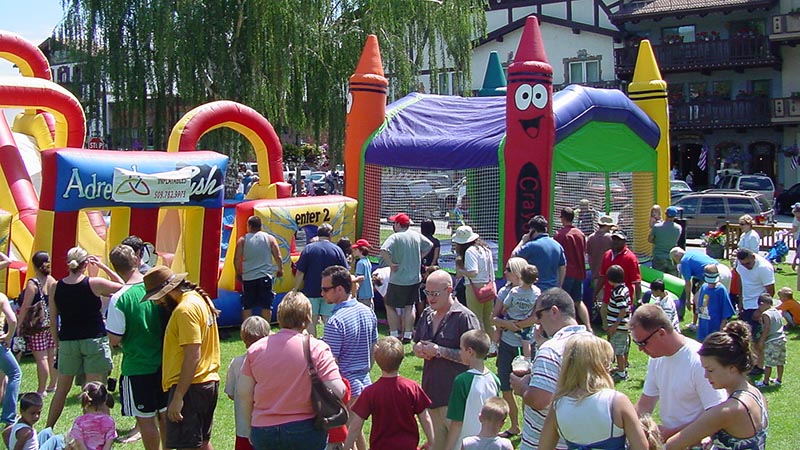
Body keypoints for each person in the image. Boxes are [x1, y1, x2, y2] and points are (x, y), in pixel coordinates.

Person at [238, 292, 346, 450]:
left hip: (264, 429)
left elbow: (243, 393)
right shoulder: (316, 348)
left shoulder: (256, 349)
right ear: (308, 318)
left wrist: (249, 428)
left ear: (280, 317)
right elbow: (338, 390)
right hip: (306, 427)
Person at [142, 265, 221, 450]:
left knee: (188, 445)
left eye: (158, 298)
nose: (157, 303)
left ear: (167, 291)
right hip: (206, 382)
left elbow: (193, 355)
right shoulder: (198, 299)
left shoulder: (184, 310)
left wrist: (178, 397)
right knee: (202, 443)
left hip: (191, 386)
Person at [46, 247, 122, 429]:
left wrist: (57, 343)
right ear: (85, 264)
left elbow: (53, 318)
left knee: (61, 391)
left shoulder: (56, 286)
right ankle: (100, 432)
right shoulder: (94, 283)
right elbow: (123, 286)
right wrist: (104, 267)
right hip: (93, 340)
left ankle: (48, 429)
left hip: (68, 341)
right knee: (96, 390)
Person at [509, 288, 592, 450]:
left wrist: (522, 388)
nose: (537, 322)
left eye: (539, 315)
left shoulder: (551, 350)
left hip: (546, 442)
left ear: (554, 311)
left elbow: (540, 400)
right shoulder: (593, 343)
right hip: (581, 439)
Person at [665, 321, 768, 450]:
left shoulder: (727, 411)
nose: (706, 376)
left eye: (710, 370)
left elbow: (672, 445)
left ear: (732, 368)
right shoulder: (757, 395)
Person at [630, 304, 726, 440]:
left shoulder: (700, 362)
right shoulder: (656, 358)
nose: (640, 349)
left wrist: (671, 433)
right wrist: (628, 425)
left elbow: (716, 415)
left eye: (642, 343)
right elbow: (645, 404)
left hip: (697, 440)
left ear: (661, 333)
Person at [105, 245, 167, 450]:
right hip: (164, 365)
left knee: (146, 420)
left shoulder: (119, 297)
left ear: (114, 267)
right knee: (165, 416)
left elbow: (114, 338)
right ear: (136, 260)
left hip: (137, 367)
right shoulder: (157, 287)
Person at [539, 334, 649, 450]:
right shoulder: (617, 402)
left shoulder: (558, 405)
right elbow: (641, 447)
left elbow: (543, 447)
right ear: (600, 365)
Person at [413, 270, 480, 450]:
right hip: (432, 395)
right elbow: (416, 342)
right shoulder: (427, 314)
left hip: (456, 399)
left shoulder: (464, 317)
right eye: (427, 293)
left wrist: (440, 351)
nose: (430, 298)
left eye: (435, 294)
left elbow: (475, 359)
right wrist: (418, 349)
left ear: (449, 290)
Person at [321, 265, 379, 450]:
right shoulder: (368, 311)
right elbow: (374, 349)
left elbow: (330, 363)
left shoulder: (335, 321)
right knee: (356, 429)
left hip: (344, 387)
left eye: (325, 289)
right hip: (365, 383)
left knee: (342, 439)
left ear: (339, 289)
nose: (322, 293)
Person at [345, 336, 434, 450]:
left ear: (376, 360)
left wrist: (347, 447)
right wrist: (431, 441)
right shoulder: (412, 387)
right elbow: (425, 417)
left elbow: (356, 425)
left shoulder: (370, 392)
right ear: (401, 359)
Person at [490, 257, 529, 439]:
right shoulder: (504, 291)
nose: (504, 272)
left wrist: (520, 325)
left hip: (527, 346)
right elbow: (494, 318)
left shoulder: (532, 292)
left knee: (528, 389)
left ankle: (530, 426)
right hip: (507, 345)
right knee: (506, 387)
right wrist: (507, 324)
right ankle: (514, 426)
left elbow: (538, 318)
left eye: (508, 269)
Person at [380, 213, 433, 342]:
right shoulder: (416, 235)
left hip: (398, 278)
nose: (393, 225)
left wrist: (391, 264)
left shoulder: (395, 237)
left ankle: (394, 333)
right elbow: (430, 245)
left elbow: (383, 250)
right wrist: (419, 256)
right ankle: (408, 334)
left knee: (390, 304)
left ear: (398, 224)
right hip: (414, 278)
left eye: (394, 223)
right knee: (409, 306)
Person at [444, 330, 501, 450]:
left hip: (465, 445)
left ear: (470, 351)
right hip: (489, 444)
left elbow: (457, 423)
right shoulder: (495, 380)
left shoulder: (462, 381)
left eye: (461, 349)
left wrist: (448, 448)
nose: (460, 353)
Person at [293, 222, 349, 337]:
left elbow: (300, 272)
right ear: (330, 234)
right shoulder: (337, 250)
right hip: (331, 290)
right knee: (328, 319)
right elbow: (345, 272)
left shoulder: (308, 249)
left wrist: (295, 289)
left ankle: (312, 345)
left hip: (311, 290)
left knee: (311, 321)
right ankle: (331, 342)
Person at [225, 316, 271, 450]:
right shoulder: (273, 363)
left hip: (244, 429)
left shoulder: (236, 363)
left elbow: (231, 394)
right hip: (267, 427)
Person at [17, 251, 58, 396]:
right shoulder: (52, 281)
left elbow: (25, 307)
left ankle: (41, 390)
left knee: (41, 358)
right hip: (51, 323)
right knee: (52, 355)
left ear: (34, 265)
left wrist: (19, 325)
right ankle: (53, 384)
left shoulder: (32, 284)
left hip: (37, 326)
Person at [669, 247, 732, 330]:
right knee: (722, 299)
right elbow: (703, 267)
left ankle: (701, 325)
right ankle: (723, 325)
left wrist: (688, 300)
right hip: (725, 270)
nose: (677, 262)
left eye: (675, 260)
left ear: (676, 256)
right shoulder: (693, 252)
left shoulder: (684, 261)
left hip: (715, 274)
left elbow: (688, 283)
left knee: (699, 300)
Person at [234, 216, 283, 322]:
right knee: (266, 305)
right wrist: (280, 269)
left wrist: (238, 272)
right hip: (265, 276)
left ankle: (247, 328)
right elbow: (278, 256)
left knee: (247, 305)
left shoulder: (243, 240)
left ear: (249, 226)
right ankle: (265, 328)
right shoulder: (269, 238)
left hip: (248, 277)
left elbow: (237, 258)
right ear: (260, 226)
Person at [453, 226, 495, 338]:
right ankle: (493, 345)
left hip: (474, 287)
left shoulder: (470, 251)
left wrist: (461, 270)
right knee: (488, 318)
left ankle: (481, 345)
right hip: (489, 285)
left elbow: (473, 272)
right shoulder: (486, 248)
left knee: (476, 318)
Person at [595, 230, 641, 329]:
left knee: (620, 328)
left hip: (622, 300)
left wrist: (639, 300)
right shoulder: (607, 255)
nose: (616, 242)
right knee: (606, 327)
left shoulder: (630, 258)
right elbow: (602, 276)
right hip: (607, 298)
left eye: (619, 240)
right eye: (614, 239)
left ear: (625, 241)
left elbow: (636, 281)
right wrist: (595, 293)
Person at [553, 207, 591, 327]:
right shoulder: (580, 234)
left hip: (567, 273)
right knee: (578, 302)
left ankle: (566, 325)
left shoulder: (560, 235)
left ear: (562, 218)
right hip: (579, 272)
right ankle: (588, 327)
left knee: (563, 303)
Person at [495, 264, 539, 359]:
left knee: (499, 328)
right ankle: (527, 359)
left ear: (521, 277)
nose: (505, 272)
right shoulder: (536, 292)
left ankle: (493, 345)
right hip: (525, 323)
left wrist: (505, 310)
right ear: (536, 280)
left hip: (512, 318)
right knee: (525, 342)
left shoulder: (514, 291)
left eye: (509, 270)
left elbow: (506, 304)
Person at [512, 215, 566, 292]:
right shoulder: (557, 245)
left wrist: (523, 241)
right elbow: (563, 267)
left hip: (535, 290)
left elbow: (513, 257)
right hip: (552, 290)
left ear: (533, 230)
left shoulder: (531, 246)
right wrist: (559, 286)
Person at [735, 248, 775, 342]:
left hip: (757, 306)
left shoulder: (764, 268)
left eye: (748, 263)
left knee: (755, 340)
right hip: (745, 305)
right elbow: (740, 281)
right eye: (743, 264)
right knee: (743, 338)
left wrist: (760, 311)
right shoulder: (740, 264)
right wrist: (740, 300)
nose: (746, 266)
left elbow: (770, 291)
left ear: (753, 257)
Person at [67, 381, 117, 450]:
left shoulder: (79, 422)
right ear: (105, 400)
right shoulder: (109, 421)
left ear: (86, 400)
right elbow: (108, 444)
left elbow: (79, 444)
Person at [605, 265, 632, 382]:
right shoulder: (625, 289)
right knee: (623, 348)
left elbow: (623, 310)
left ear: (610, 279)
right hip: (624, 326)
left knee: (618, 350)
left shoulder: (618, 293)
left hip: (619, 327)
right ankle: (623, 366)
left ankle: (621, 373)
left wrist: (615, 325)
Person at [696, 264, 734, 342]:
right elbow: (700, 305)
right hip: (703, 326)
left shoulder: (721, 290)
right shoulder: (704, 287)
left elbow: (726, 313)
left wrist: (721, 331)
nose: (711, 284)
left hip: (715, 327)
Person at [754, 294, 786, 388]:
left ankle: (765, 382)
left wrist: (761, 341)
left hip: (772, 340)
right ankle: (779, 380)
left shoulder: (766, 314)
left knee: (768, 363)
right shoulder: (777, 311)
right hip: (781, 338)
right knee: (780, 361)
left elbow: (767, 328)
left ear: (762, 304)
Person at [586, 215, 615, 315]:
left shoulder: (590, 237)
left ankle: (598, 318)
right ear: (607, 226)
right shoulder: (610, 238)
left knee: (598, 299)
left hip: (595, 273)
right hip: (609, 274)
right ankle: (605, 321)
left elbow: (588, 256)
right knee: (608, 301)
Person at [0, 289, 20, 431]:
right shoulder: (1, 297)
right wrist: (9, 336)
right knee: (15, 373)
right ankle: (9, 416)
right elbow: (12, 320)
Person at [649, 206, 682, 277]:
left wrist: (657, 241)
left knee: (658, 279)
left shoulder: (657, 227)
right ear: (675, 216)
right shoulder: (678, 228)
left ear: (665, 214)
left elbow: (650, 239)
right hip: (672, 257)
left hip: (658, 257)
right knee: (673, 280)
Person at [351, 239, 374, 309]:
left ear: (361, 250)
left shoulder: (360, 263)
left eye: (355, 249)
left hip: (362, 293)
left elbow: (359, 279)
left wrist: (355, 292)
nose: (354, 251)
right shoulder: (367, 261)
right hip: (369, 291)